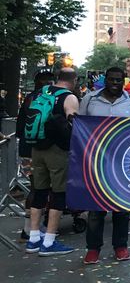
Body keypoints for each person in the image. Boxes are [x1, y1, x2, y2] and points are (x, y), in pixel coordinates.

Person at [79, 67, 130, 264]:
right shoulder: (90, 99)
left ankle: (121, 246)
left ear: (123, 81)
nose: (115, 83)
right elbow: (79, 126)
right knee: (96, 208)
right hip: (94, 161)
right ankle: (93, 249)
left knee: (121, 208)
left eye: (118, 80)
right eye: (111, 79)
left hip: (123, 163)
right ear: (106, 79)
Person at [25, 68, 79, 257]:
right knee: (58, 193)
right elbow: (74, 122)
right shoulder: (69, 97)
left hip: (37, 148)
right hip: (57, 151)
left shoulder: (41, 93)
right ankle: (49, 241)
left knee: (39, 191)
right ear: (74, 80)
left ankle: (33, 239)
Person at [17, 70, 54, 242]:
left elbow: (21, 128)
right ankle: (30, 230)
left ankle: (31, 228)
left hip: (27, 149)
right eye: (45, 82)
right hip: (38, 149)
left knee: (36, 188)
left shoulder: (29, 99)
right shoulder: (42, 101)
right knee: (37, 188)